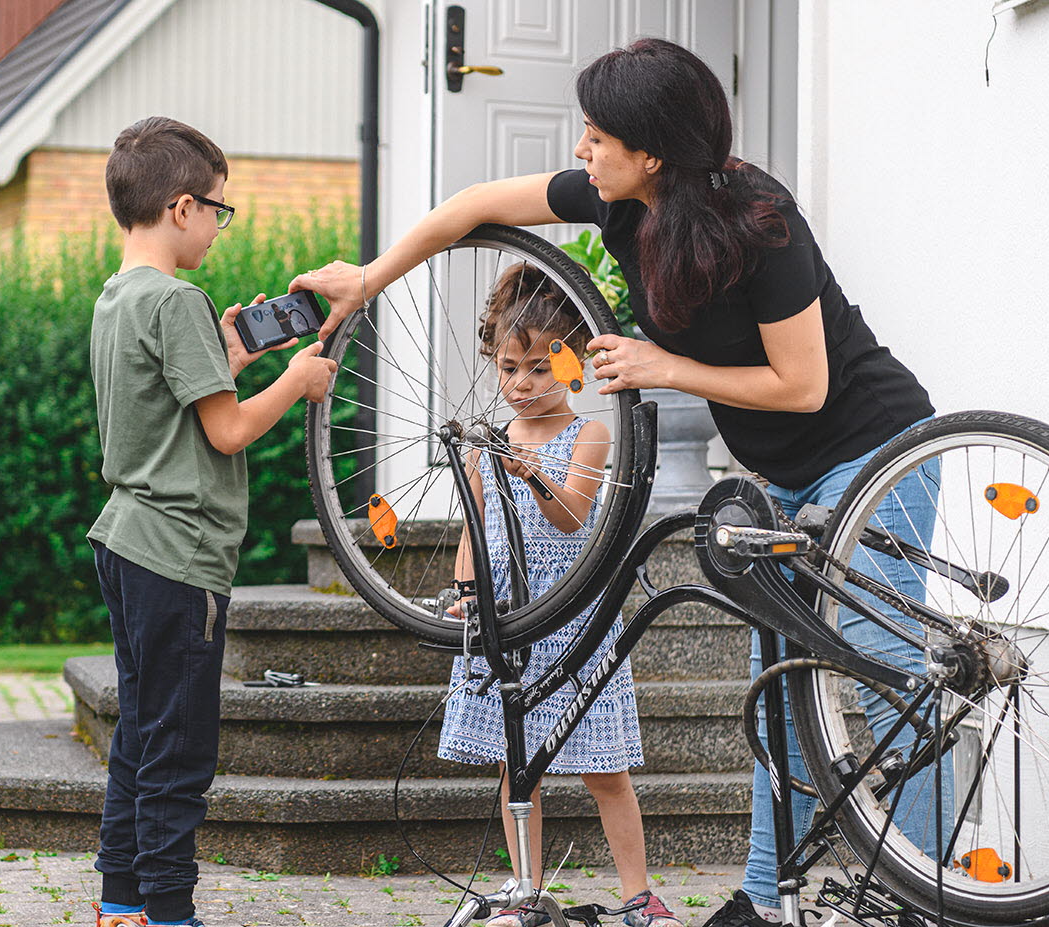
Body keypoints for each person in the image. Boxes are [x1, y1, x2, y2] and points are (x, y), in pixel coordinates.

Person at [289, 38, 943, 927]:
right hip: (780, 477)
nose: (579, 151)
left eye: (596, 136)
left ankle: (932, 897)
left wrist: (665, 365)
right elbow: (471, 207)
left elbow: (806, 385)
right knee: (779, 687)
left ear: (653, 152)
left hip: (877, 446)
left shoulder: (762, 220)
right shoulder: (618, 204)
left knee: (889, 676)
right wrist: (367, 279)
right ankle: (760, 894)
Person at [85, 116, 338, 927]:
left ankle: (121, 900)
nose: (219, 230)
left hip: (125, 541)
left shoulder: (118, 297)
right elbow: (227, 432)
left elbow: (175, 408)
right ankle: (169, 911)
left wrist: (228, 360)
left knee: (140, 731)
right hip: (177, 552)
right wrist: (296, 380)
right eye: (219, 212)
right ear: (183, 206)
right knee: (179, 748)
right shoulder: (179, 297)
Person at [436, 264, 683, 927]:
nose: (520, 384)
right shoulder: (487, 446)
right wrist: (467, 592)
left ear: (572, 367)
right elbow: (476, 527)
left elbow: (573, 515)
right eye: (509, 367)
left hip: (573, 616)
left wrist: (537, 473)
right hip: (509, 616)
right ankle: (524, 891)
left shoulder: (590, 434)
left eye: (540, 370)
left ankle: (640, 895)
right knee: (517, 765)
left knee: (604, 769)